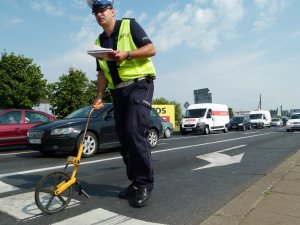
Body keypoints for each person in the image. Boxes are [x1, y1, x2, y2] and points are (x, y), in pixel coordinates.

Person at [87, 0, 156, 207]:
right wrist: (99, 96)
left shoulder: (129, 25)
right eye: (96, 12)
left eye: (102, 10)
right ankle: (135, 183)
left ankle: (145, 183)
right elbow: (101, 73)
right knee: (124, 138)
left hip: (139, 85)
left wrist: (128, 54)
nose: (99, 15)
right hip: (117, 92)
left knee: (134, 132)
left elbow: (152, 49)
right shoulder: (98, 41)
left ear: (112, 11)